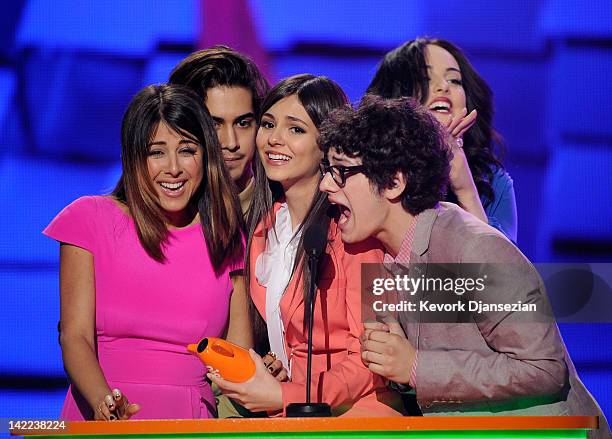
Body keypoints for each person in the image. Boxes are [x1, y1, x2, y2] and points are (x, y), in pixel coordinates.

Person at [318, 95, 610, 438]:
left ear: (395, 182)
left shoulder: (473, 248)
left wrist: (415, 366)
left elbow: (543, 367)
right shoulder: (378, 258)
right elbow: (417, 380)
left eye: (342, 173)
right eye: (327, 171)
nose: (326, 185)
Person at [44, 84, 248, 420]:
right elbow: (74, 336)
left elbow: (235, 355)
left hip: (190, 420)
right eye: (156, 152)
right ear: (134, 157)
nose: (173, 168)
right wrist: (105, 405)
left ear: (206, 155)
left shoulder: (225, 236)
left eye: (187, 150)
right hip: (102, 415)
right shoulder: (90, 219)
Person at [209, 75, 402, 417]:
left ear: (326, 145)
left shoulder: (355, 234)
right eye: (268, 124)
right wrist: (276, 372)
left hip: (358, 411)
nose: (274, 139)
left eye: (295, 129)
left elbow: (369, 361)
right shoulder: (261, 230)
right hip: (293, 411)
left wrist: (288, 393)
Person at [367, 37, 517, 241]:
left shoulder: (492, 182)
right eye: (425, 79)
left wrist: (465, 189)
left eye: (454, 80)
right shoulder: (367, 171)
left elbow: (499, 272)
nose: (443, 87)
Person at [169, 45, 269, 217]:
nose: (231, 143)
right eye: (214, 125)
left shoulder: (284, 215)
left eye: (243, 123)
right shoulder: (151, 219)